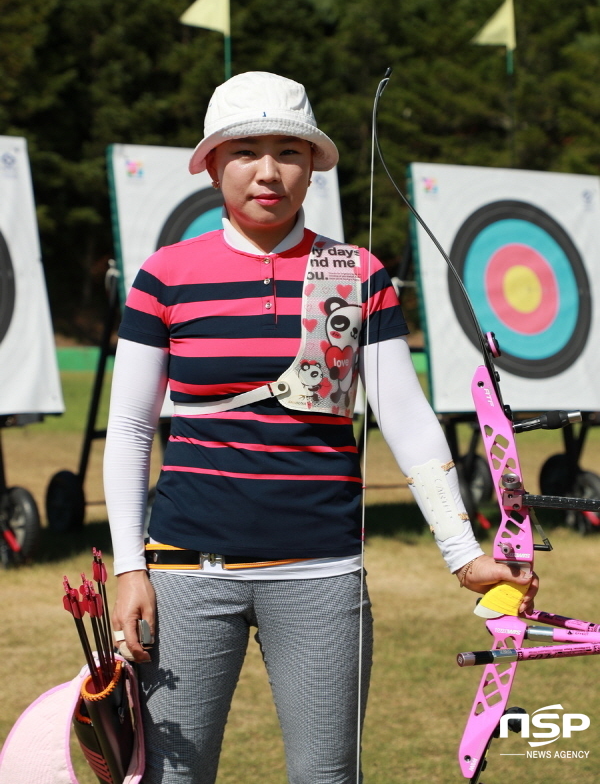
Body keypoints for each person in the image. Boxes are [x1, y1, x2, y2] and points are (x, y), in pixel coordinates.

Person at [104, 71, 538, 784]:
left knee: (328, 776)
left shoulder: (359, 273)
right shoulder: (165, 276)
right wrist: (129, 568)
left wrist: (463, 556)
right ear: (213, 163)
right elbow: (129, 429)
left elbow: (404, 415)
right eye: (245, 150)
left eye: (289, 151)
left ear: (314, 166)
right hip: (184, 573)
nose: (268, 172)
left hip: (321, 574)